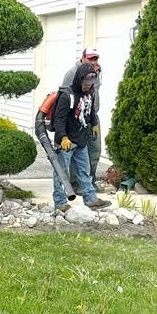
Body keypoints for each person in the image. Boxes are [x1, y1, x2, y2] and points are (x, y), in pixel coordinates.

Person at [52, 62, 111, 213]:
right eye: (85, 83)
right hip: (66, 141)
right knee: (61, 172)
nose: (87, 86)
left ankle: (90, 199)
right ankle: (60, 202)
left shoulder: (90, 93)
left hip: (81, 140)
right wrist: (62, 137)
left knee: (85, 171)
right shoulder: (67, 96)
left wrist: (95, 124)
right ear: (79, 79)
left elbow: (91, 112)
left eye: (91, 83)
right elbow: (58, 119)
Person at [62, 48, 102, 186]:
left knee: (95, 150)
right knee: (76, 150)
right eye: (91, 58)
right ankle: (75, 183)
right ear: (83, 57)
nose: (94, 61)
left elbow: (93, 93)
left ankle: (90, 181)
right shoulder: (72, 73)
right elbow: (65, 97)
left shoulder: (97, 71)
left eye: (95, 58)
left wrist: (94, 120)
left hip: (92, 116)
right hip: (76, 119)